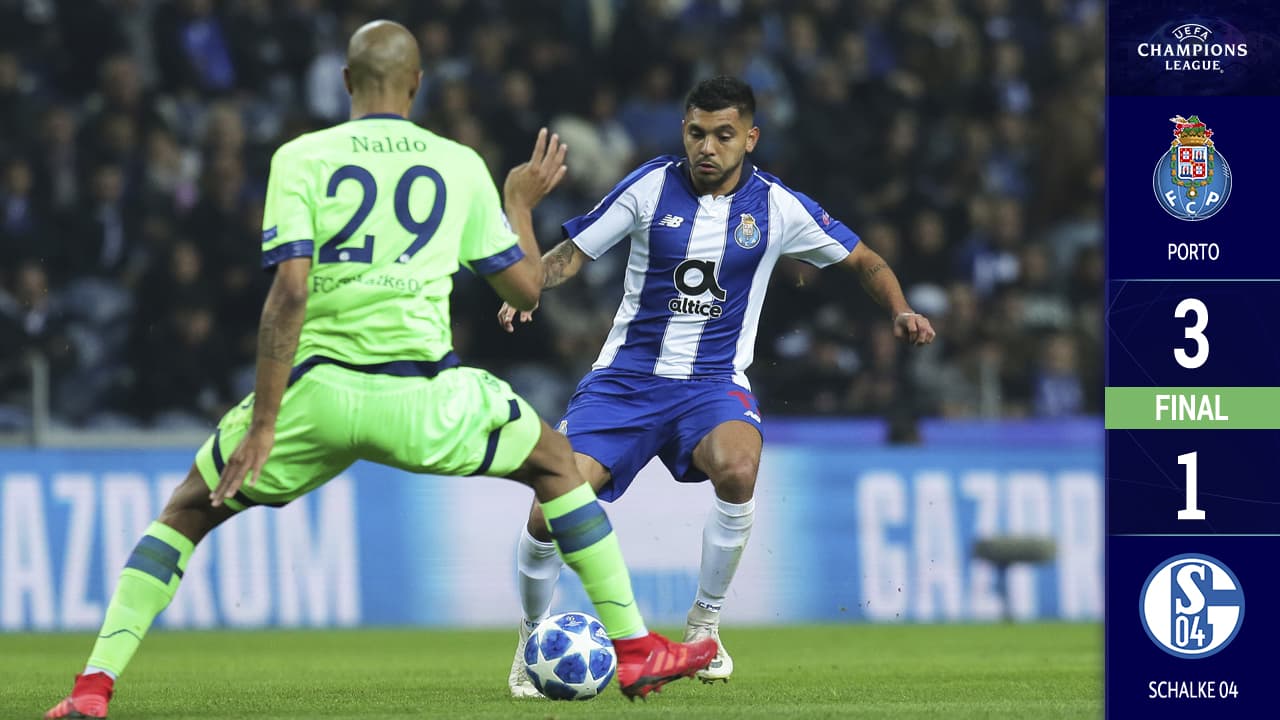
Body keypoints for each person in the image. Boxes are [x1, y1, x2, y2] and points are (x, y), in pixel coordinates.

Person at [44, 20, 716, 719]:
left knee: (184, 513)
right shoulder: (457, 163)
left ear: (345, 83)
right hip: (425, 395)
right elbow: (525, 292)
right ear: (418, 85)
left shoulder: (300, 157)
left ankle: (93, 690)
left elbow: (291, 292)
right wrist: (519, 202)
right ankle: (635, 649)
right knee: (554, 463)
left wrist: (266, 421)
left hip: (320, 394)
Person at [499, 75, 936, 695]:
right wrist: (530, 289)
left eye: (724, 135)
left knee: (738, 468)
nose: (708, 147)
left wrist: (899, 307)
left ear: (749, 138)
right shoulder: (650, 184)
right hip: (624, 382)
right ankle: (530, 637)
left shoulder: (778, 207)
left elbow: (865, 259)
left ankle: (704, 625)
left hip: (711, 385)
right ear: (684, 130)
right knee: (550, 510)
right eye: (697, 133)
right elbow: (574, 252)